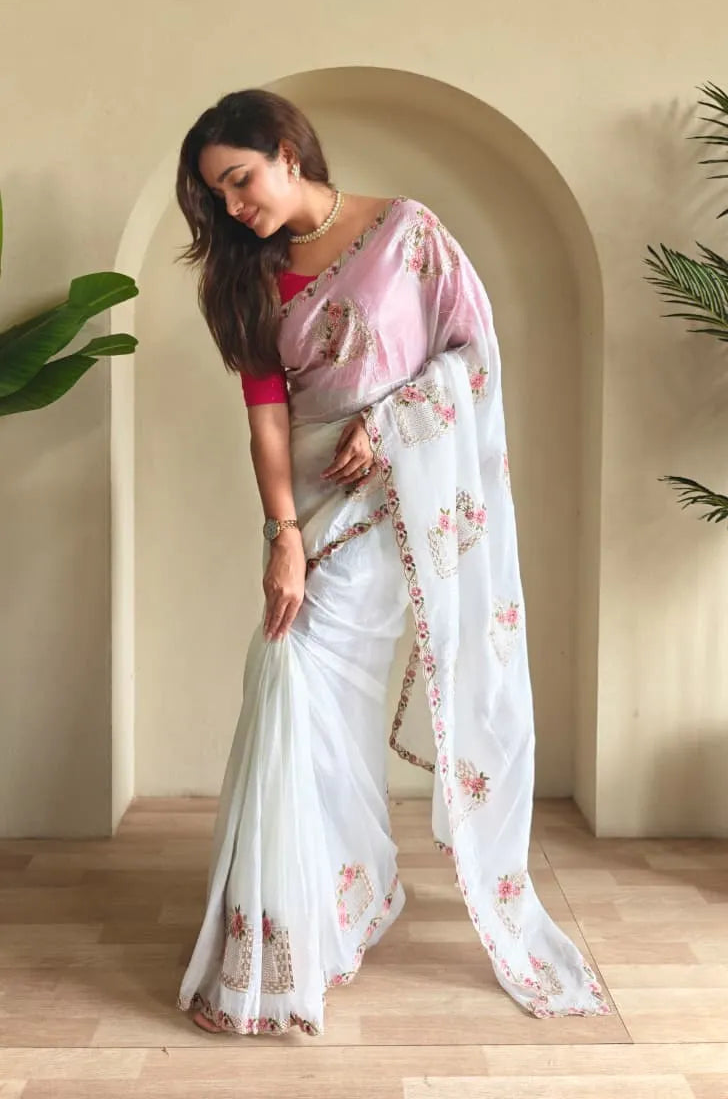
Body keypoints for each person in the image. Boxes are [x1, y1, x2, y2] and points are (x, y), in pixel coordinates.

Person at [174, 88, 609, 1036]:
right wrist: (283, 538)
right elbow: (267, 422)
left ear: (288, 152)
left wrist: (389, 423)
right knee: (293, 687)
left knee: (323, 697)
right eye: (218, 197)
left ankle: (332, 906)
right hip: (309, 510)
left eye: (240, 180)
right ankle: (311, 921)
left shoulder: (407, 235)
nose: (234, 207)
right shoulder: (244, 277)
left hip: (393, 504)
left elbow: (474, 359)